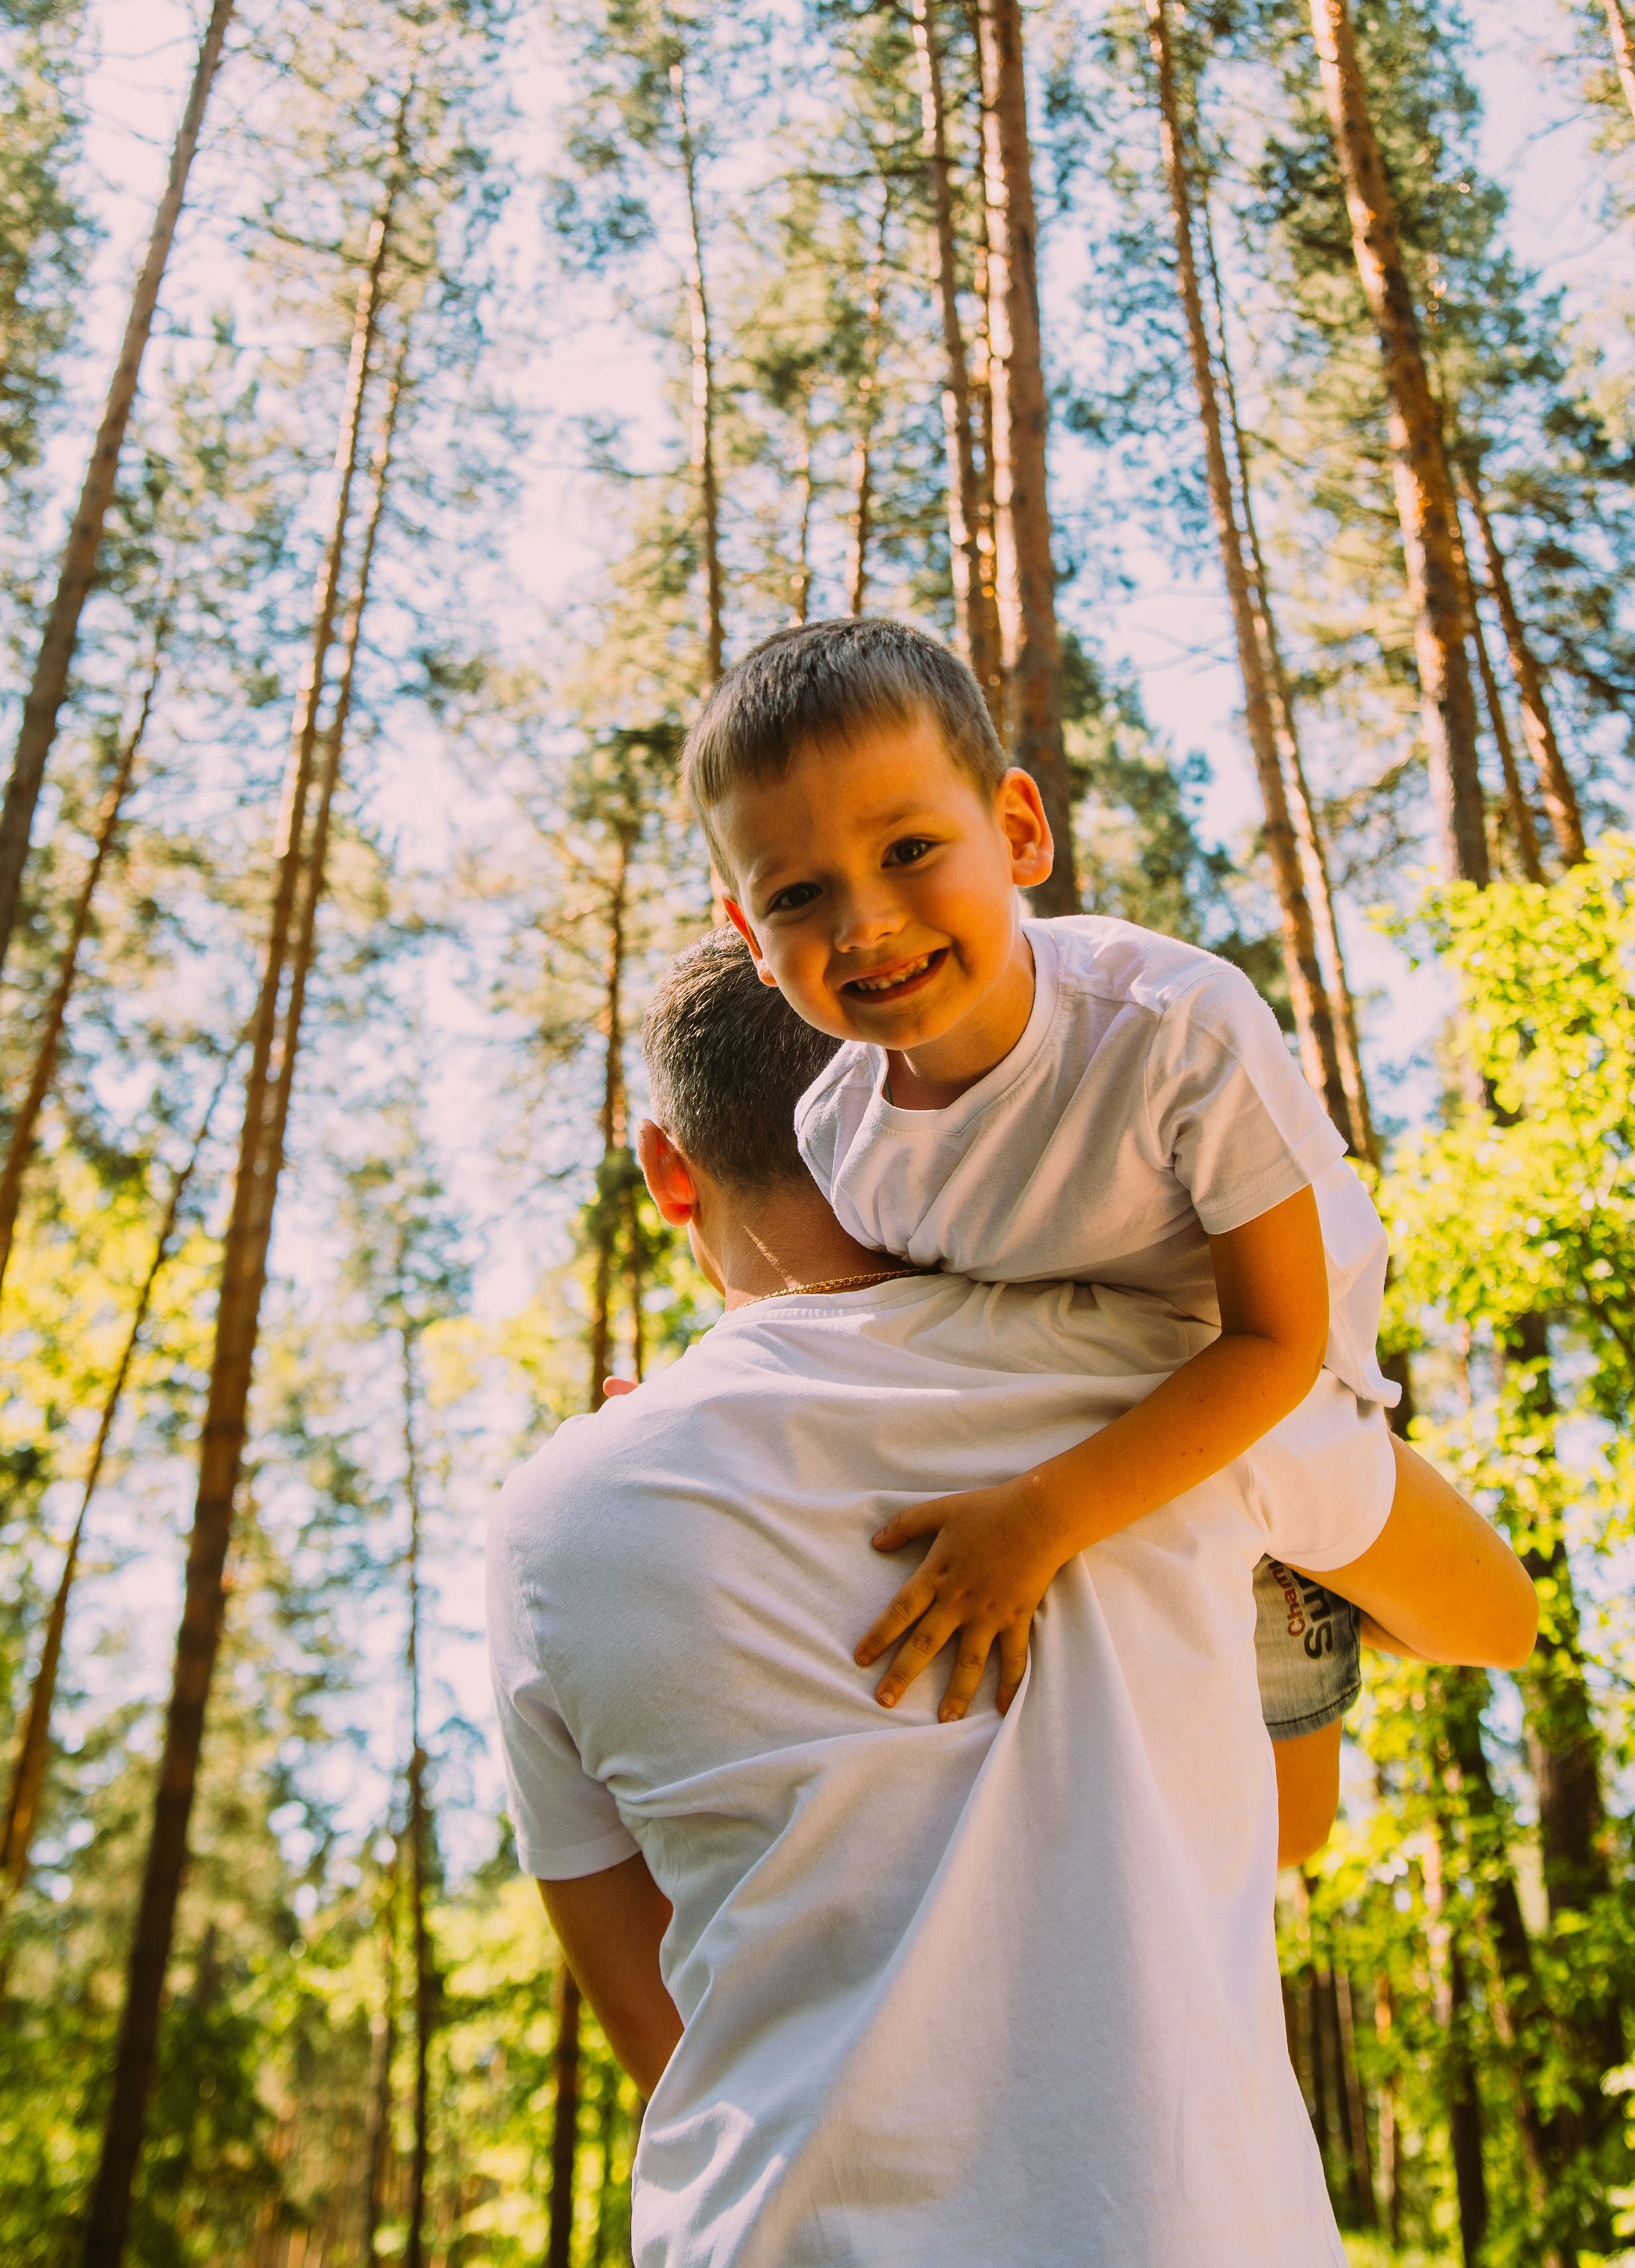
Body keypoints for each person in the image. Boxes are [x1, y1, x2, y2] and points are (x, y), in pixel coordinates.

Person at [487, 932, 1535, 2267]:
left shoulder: (548, 1522)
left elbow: (662, 2037)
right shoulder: (1173, 1383)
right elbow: (1492, 1619)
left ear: (664, 1169)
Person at [684, 616, 1397, 1730]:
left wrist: (1043, 1516)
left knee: (1280, 1826)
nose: (865, 922)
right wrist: (699, 1403)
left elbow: (1279, 1344)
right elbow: (895, 1333)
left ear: (1018, 830)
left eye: (909, 851)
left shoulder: (1174, 1028)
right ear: (749, 936)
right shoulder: (840, 1134)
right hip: (1067, 1436)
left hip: (1259, 1415)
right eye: (795, 897)